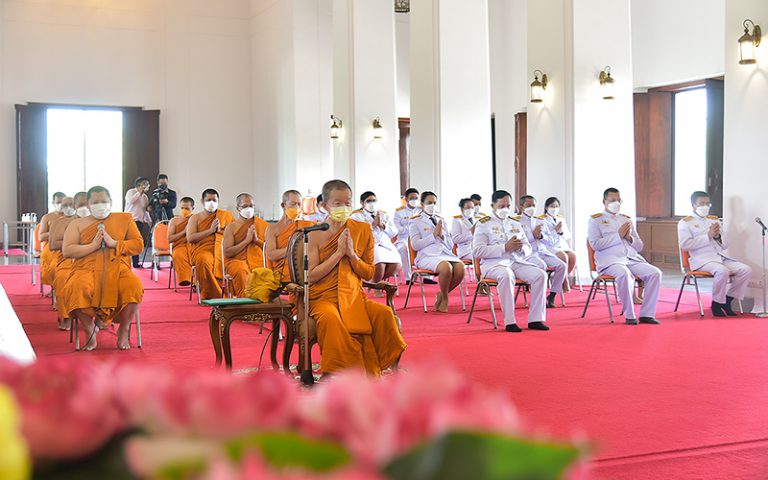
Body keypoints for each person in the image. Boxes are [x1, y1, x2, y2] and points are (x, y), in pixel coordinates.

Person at [307, 179, 406, 376]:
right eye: (337, 204)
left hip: (354, 297)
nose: (344, 208)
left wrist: (352, 255)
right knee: (331, 319)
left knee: (384, 314)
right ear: (325, 205)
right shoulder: (315, 234)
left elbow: (369, 273)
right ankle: (338, 372)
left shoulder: (361, 230)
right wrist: (338, 254)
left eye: (348, 203)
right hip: (323, 298)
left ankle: (381, 366)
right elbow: (311, 276)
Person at [61, 186, 144, 350]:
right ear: (88, 204)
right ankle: (89, 328)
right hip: (86, 269)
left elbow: (138, 245)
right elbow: (67, 250)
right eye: (96, 202)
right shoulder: (77, 223)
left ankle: (124, 328)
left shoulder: (124, 219)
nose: (100, 205)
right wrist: (93, 246)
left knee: (133, 286)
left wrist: (114, 244)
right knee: (75, 287)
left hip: (117, 267)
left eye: (104, 201)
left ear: (111, 202)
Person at [473, 190, 549, 332]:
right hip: (493, 264)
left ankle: (536, 319)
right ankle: (510, 321)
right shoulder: (484, 224)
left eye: (508, 206)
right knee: (506, 275)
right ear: (492, 206)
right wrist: (504, 247)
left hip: (516, 260)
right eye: (501, 206)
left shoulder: (515, 223)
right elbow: (477, 251)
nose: (505, 210)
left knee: (540, 275)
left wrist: (521, 249)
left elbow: (528, 247)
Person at [587, 187, 662, 325]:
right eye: (612, 200)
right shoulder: (596, 220)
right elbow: (595, 245)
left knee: (655, 273)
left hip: (630, 259)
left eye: (618, 200)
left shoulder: (626, 219)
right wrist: (618, 236)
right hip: (610, 262)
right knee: (625, 274)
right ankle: (630, 314)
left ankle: (647, 314)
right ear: (604, 202)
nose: (616, 203)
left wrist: (629, 238)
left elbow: (639, 246)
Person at [678, 191, 752, 317]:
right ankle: (716, 303)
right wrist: (708, 235)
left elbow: (725, 245)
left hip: (718, 258)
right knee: (722, 271)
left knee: (745, 270)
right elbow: (685, 245)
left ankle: (728, 300)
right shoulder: (685, 222)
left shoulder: (714, 220)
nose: (705, 206)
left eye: (708, 203)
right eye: (702, 203)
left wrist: (717, 236)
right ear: (693, 204)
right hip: (701, 259)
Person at [408, 191, 465, 313]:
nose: (432, 205)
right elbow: (415, 245)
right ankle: (445, 298)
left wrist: (442, 236)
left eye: (434, 203)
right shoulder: (415, 221)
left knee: (461, 268)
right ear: (422, 204)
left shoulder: (441, 220)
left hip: (444, 253)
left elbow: (450, 245)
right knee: (446, 268)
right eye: (429, 203)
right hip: (426, 255)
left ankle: (442, 293)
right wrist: (433, 235)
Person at [517, 195, 567, 307]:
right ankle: (540, 298)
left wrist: (540, 236)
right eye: (528, 205)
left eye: (533, 205)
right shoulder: (517, 222)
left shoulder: (540, 220)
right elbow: (518, 241)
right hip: (528, 254)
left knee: (562, 266)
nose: (532, 208)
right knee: (542, 266)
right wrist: (532, 235)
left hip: (542, 251)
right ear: (521, 207)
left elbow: (550, 240)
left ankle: (552, 295)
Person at [186, 189, 235, 300]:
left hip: (223, 250)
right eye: (208, 200)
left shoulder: (226, 215)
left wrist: (222, 230)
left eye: (214, 200)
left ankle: (237, 294)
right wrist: (210, 230)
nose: (211, 203)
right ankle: (214, 296)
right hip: (203, 250)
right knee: (203, 260)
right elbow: (190, 238)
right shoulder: (195, 218)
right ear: (202, 201)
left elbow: (234, 234)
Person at [223, 193, 270, 296]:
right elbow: (227, 253)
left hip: (258, 261)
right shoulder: (231, 227)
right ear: (238, 208)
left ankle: (263, 306)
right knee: (241, 269)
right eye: (245, 206)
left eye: (251, 206)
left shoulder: (263, 225)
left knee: (266, 272)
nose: (249, 209)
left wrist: (256, 240)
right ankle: (245, 304)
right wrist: (246, 241)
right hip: (236, 262)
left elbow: (269, 249)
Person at [350, 191, 401, 283]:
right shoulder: (356, 216)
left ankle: (375, 283)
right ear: (362, 203)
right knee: (380, 264)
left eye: (374, 200)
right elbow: (357, 233)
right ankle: (376, 285)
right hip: (370, 244)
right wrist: (372, 225)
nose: (372, 203)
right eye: (369, 201)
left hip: (386, 244)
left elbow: (394, 232)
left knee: (396, 265)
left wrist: (382, 225)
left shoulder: (383, 214)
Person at [265, 190, 315, 281]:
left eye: (299, 204)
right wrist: (295, 248)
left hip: (304, 268)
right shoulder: (272, 229)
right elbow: (271, 255)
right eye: (293, 204)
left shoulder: (306, 225)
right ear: (283, 205)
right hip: (284, 273)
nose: (296, 207)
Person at [47, 195, 77, 330]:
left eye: (72, 205)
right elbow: (53, 245)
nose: (69, 208)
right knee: (62, 279)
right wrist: (73, 243)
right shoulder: (57, 223)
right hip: (65, 260)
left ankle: (100, 316)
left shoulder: (85, 221)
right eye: (65, 206)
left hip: (85, 260)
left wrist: (68, 242)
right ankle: (66, 316)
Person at [394, 188, 433, 284]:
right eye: (412, 198)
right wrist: (411, 228)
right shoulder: (399, 212)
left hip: (419, 237)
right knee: (404, 248)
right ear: (406, 199)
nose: (414, 200)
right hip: (403, 238)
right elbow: (397, 229)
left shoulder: (422, 210)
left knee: (429, 245)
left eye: (416, 198)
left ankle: (428, 277)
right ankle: (409, 277)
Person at [539, 197, 577, 284]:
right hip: (549, 247)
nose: (554, 209)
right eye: (552, 206)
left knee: (573, 256)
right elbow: (543, 237)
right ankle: (565, 281)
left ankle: (563, 278)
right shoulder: (541, 219)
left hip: (561, 245)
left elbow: (567, 235)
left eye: (556, 206)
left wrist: (561, 232)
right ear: (546, 207)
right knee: (564, 256)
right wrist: (555, 231)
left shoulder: (560, 218)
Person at [38, 191, 67, 287]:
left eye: (63, 203)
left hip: (67, 246)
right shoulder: (47, 217)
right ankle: (55, 287)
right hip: (51, 248)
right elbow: (41, 236)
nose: (61, 205)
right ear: (53, 203)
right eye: (58, 202)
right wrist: (57, 232)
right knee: (54, 265)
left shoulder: (71, 217)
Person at [167, 197, 195, 286]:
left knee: (201, 256)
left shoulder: (196, 219)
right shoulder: (174, 221)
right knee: (178, 255)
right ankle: (186, 279)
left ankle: (196, 282)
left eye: (187, 208)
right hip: (179, 246)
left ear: (193, 208)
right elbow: (170, 239)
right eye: (182, 208)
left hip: (194, 245)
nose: (184, 210)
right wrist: (184, 232)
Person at [125, 177, 152, 268]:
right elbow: (131, 201)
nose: (147, 186)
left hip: (139, 222)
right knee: (129, 242)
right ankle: (127, 262)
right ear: (140, 185)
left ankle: (136, 262)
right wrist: (139, 192)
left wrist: (150, 222)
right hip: (129, 220)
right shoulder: (131, 192)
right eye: (145, 184)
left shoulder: (145, 197)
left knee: (137, 242)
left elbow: (145, 211)